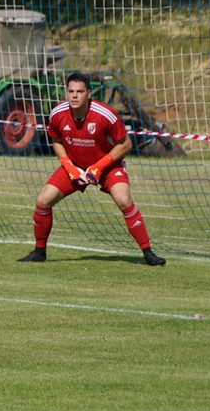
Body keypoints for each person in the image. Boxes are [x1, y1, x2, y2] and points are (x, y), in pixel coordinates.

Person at [16, 71, 166, 266]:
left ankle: (148, 253)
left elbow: (126, 144)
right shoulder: (57, 113)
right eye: (71, 91)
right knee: (43, 200)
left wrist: (98, 167)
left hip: (107, 166)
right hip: (75, 165)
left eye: (79, 91)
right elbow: (57, 142)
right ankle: (39, 252)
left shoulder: (105, 114)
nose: (74, 96)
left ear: (88, 93)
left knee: (123, 199)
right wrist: (69, 167)